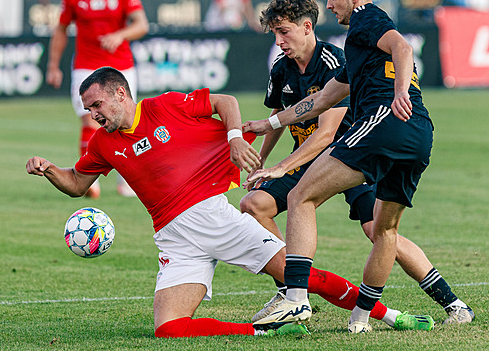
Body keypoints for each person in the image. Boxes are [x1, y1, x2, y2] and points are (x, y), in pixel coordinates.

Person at [27, 67, 431, 338]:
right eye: (89, 110)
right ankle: (265, 330)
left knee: (298, 274)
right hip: (173, 237)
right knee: (168, 327)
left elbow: (225, 102)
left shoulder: (164, 106)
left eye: (97, 105)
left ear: (120, 94)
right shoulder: (102, 143)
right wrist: (50, 170)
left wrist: (235, 136)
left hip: (210, 214)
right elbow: (78, 184)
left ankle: (391, 316)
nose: (93, 115)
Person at [240, 0, 473, 326]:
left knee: (372, 228)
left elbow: (325, 132)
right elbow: (299, 107)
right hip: (334, 152)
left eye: (283, 31)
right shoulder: (283, 69)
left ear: (307, 27)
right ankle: (292, 287)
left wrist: (280, 167)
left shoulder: (351, 39)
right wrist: (266, 135)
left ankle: (449, 301)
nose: (278, 40)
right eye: (275, 33)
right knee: (254, 204)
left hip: (355, 149)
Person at [46, 0, 149, 199]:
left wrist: (120, 34)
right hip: (86, 66)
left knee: (127, 121)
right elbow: (60, 30)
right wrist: (53, 66)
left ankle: (127, 180)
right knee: (89, 120)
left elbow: (141, 24)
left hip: (121, 67)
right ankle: (88, 179)